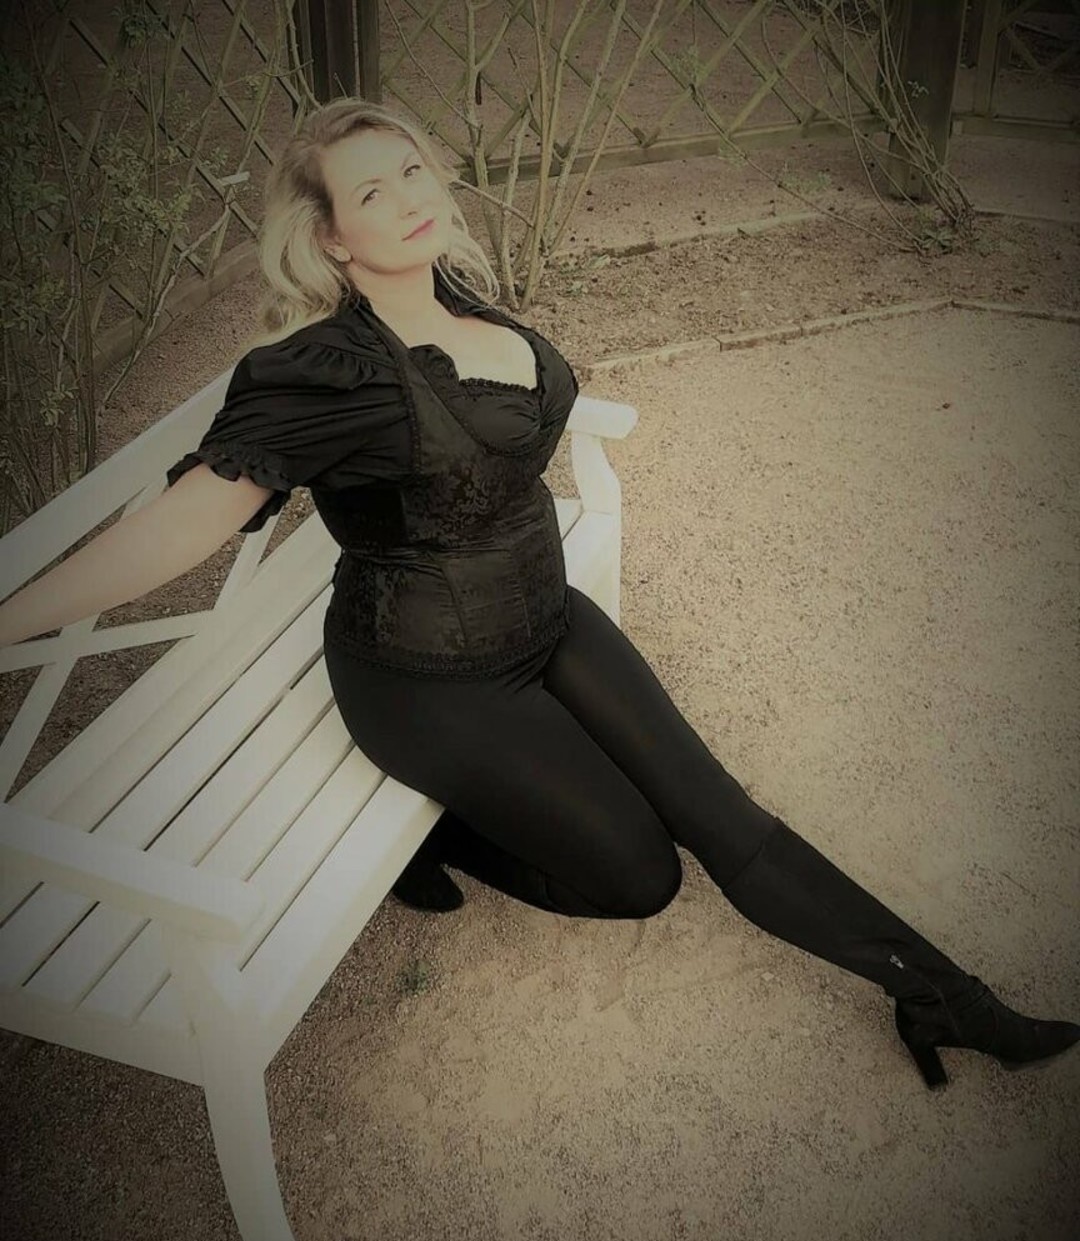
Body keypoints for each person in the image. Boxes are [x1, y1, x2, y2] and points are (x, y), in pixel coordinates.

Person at [2, 98, 1076, 1092]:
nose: (411, 198)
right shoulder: (329, 372)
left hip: (543, 614)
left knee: (723, 820)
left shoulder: (457, 297)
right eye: (372, 191)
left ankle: (942, 997)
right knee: (642, 877)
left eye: (412, 170)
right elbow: (181, 525)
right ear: (330, 237)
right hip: (424, 679)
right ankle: (434, 837)